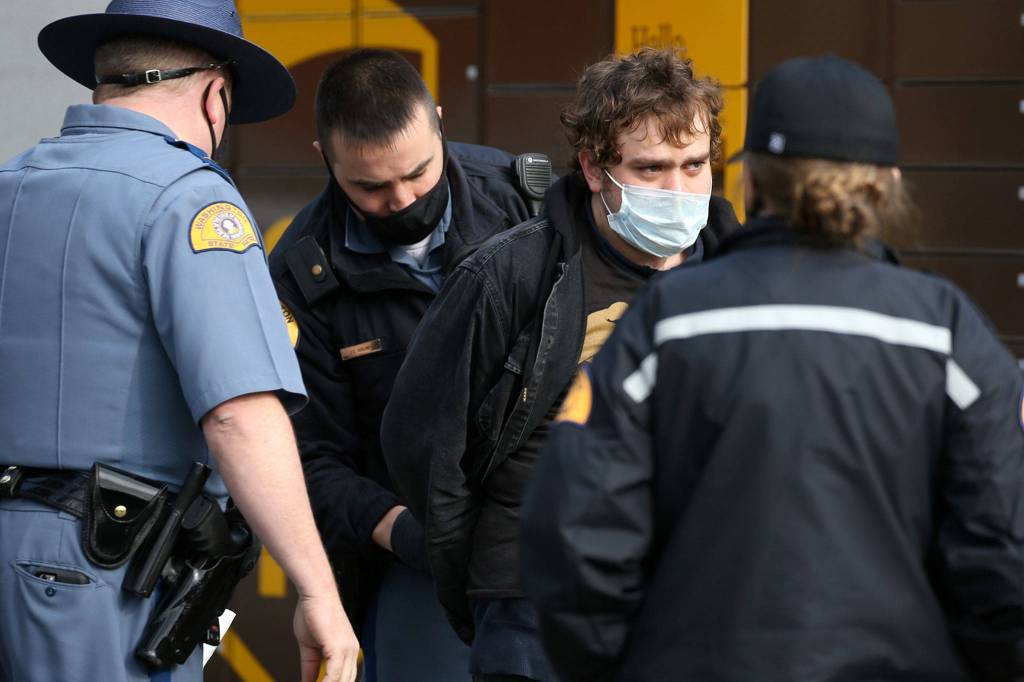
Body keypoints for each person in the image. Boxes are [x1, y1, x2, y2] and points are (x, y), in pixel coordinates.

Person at [519, 54, 1024, 682]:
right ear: (888, 182)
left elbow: (574, 529)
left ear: (750, 180)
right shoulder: (944, 332)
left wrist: (623, 663)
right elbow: (1004, 545)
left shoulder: (667, 322)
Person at [0, 2, 358, 681]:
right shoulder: (187, 200)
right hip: (96, 574)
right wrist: (316, 589)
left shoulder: (10, 183)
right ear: (217, 94)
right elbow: (239, 414)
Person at [381, 48, 741, 682]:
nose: (680, 190)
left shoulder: (744, 276)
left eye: (695, 165)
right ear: (594, 169)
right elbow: (422, 440)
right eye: (651, 169)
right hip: (538, 603)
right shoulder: (510, 273)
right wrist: (486, 569)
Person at [269, 49, 532, 682]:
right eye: (371, 187)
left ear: (439, 123)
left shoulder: (528, 206)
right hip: (410, 555)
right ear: (323, 157)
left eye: (418, 172)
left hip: (544, 535)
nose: (403, 198)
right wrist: (408, 534)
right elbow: (308, 458)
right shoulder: (302, 275)